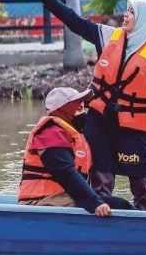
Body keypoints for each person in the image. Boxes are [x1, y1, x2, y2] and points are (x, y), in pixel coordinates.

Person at [29, 0, 146, 210]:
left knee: (142, 190)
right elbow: (74, 22)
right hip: (100, 123)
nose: (125, 15)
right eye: (126, 11)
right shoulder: (107, 36)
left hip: (135, 130)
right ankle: (101, 225)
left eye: (132, 12)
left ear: (145, 20)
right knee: (101, 186)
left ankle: (144, 229)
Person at [18, 86, 134, 216]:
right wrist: (95, 203)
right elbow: (66, 173)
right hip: (39, 202)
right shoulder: (49, 134)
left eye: (84, 108)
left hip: (58, 198)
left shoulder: (69, 133)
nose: (84, 113)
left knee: (121, 204)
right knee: (119, 205)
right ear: (63, 110)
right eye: (78, 109)